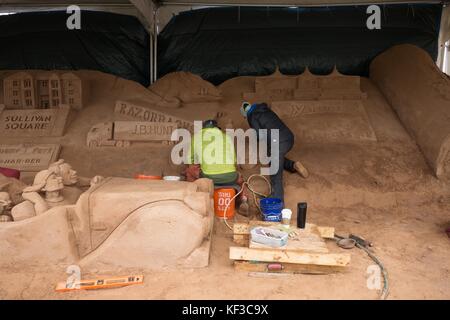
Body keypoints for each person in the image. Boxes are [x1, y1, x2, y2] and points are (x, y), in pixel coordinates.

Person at [240, 101, 309, 203]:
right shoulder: (265, 110)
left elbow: (260, 135)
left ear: (246, 114)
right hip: (289, 138)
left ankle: (277, 201)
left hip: (278, 143)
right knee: (271, 155)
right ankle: (293, 165)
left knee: (275, 173)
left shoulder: (252, 116)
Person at [186, 119, 249, 214]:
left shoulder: (197, 137)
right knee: (241, 180)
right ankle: (243, 200)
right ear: (216, 128)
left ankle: (193, 200)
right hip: (230, 177)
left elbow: (189, 160)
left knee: (188, 171)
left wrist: (199, 166)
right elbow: (234, 161)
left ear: (203, 128)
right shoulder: (226, 137)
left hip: (209, 177)